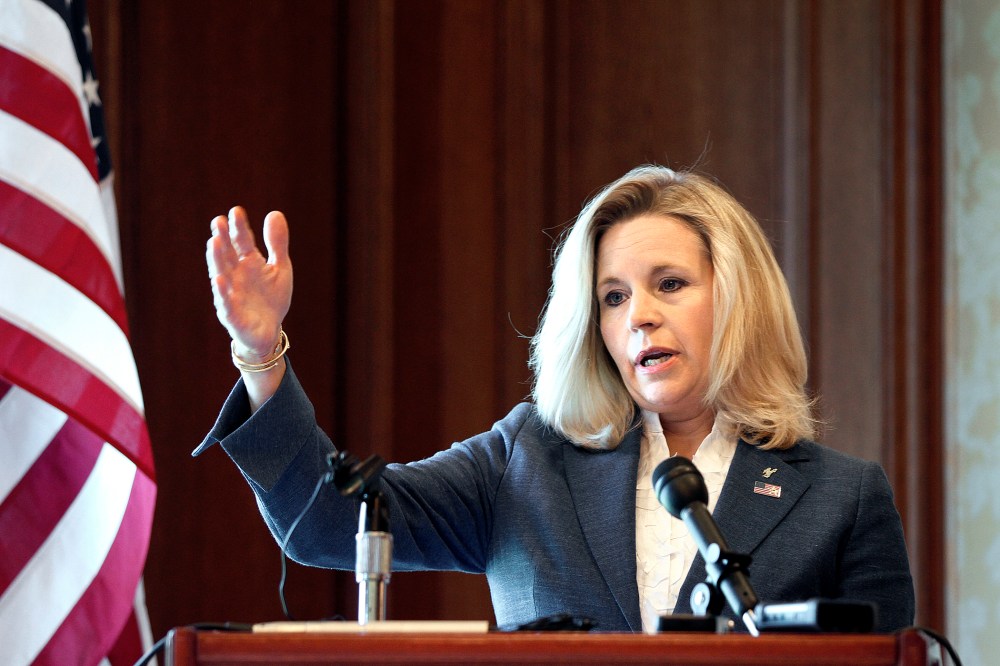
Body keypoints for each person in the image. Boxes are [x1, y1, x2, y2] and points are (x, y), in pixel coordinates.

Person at [196, 165, 915, 633]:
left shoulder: (843, 500)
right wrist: (261, 354)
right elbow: (330, 523)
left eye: (669, 284)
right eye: (613, 297)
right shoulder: (528, 462)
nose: (639, 316)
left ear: (737, 298)